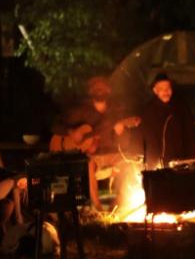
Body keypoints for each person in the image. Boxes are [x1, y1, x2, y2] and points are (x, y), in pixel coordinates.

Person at [51, 76, 140, 209]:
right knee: (88, 163)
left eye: (102, 86)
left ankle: (118, 205)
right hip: (92, 157)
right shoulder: (80, 112)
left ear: (108, 90)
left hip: (111, 155)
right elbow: (55, 126)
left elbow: (125, 144)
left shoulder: (116, 113)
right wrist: (71, 132)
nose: (99, 89)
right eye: (95, 87)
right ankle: (97, 206)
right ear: (90, 91)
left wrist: (121, 131)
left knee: (130, 162)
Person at [137, 72, 195, 169]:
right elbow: (147, 140)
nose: (166, 92)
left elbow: (191, 132)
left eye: (168, 88)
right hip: (160, 165)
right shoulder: (149, 112)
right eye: (161, 89)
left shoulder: (180, 108)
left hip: (182, 162)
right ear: (155, 91)